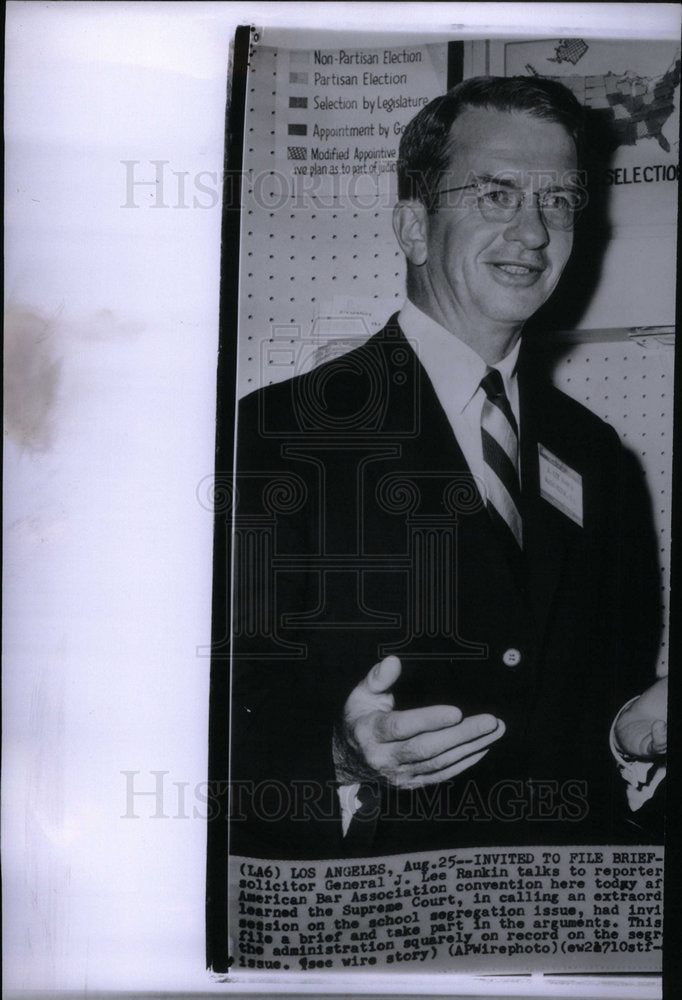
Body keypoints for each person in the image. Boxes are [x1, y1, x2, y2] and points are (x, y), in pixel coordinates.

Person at [228, 76, 667, 860]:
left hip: (561, 931)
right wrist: (338, 756)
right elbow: (212, 721)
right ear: (413, 226)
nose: (534, 231)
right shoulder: (271, 436)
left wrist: (630, 740)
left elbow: (593, 714)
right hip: (370, 933)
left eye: (560, 200)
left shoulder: (601, 459)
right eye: (496, 194)